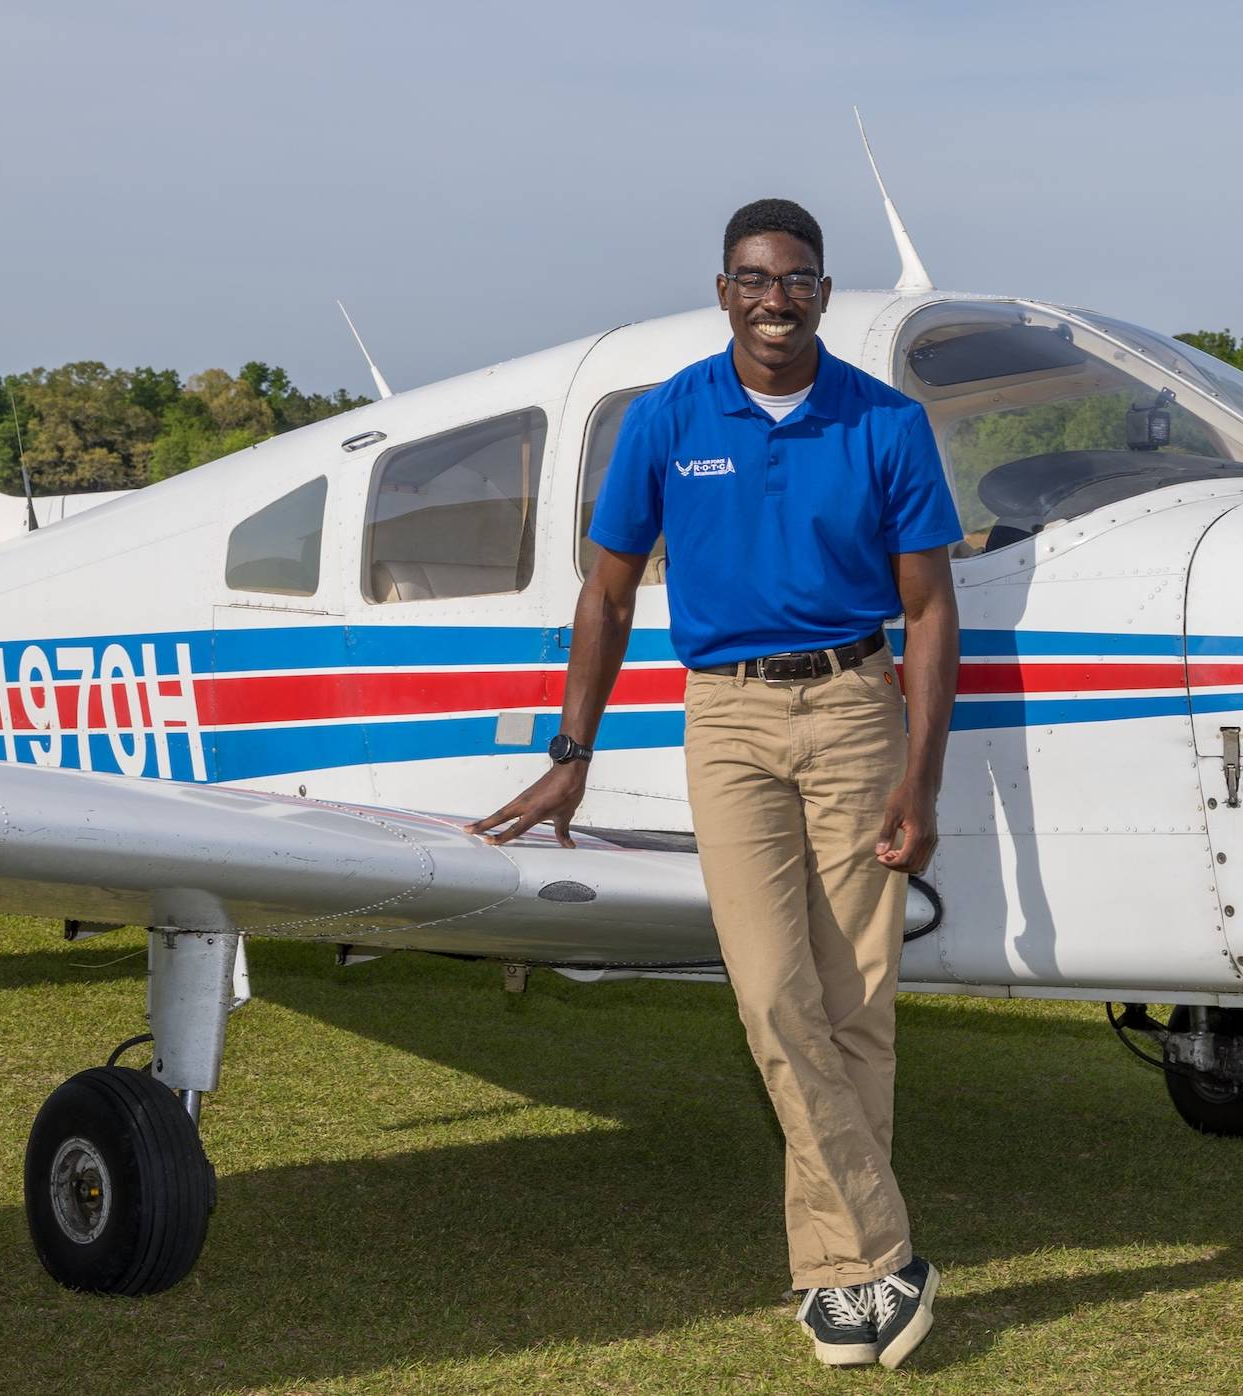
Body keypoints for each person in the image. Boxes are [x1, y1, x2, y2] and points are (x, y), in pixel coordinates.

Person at [470, 197, 962, 1370]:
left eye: (796, 280)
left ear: (824, 295)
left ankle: (839, 1284)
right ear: (724, 289)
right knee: (769, 994)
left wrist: (922, 780)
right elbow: (607, 593)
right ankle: (880, 1252)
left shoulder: (886, 423)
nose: (774, 299)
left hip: (855, 710)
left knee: (856, 1006)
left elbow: (932, 610)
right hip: (728, 718)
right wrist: (568, 758)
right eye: (753, 278)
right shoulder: (667, 418)